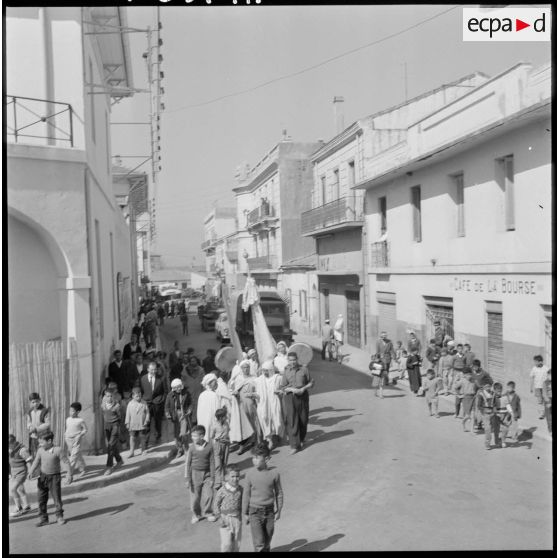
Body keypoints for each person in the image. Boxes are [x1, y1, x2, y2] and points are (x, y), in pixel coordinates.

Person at [242, 442, 283, 552]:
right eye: (253, 458)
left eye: (257, 458)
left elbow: (279, 493)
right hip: (254, 512)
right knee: (259, 542)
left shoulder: (274, 474)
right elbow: (246, 494)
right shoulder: (249, 474)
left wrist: (279, 510)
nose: (254, 460)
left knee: (268, 538)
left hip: (269, 512)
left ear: (267, 459)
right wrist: (245, 512)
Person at [28, 430, 72, 526]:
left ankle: (59, 517)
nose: (40, 444)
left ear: (49, 441)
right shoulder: (40, 450)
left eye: (42, 442)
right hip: (42, 477)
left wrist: (69, 474)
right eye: (39, 442)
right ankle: (44, 519)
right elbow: (36, 461)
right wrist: (31, 471)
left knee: (57, 498)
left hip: (54, 477)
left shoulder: (58, 450)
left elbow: (65, 462)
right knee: (41, 499)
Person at [280, 352, 314, 455]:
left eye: (294, 360)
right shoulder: (286, 371)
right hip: (290, 397)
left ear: (297, 359)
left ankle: (302, 439)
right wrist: (291, 389)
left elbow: (311, 382)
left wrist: (303, 389)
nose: (292, 362)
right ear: (288, 360)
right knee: (292, 420)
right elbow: (283, 387)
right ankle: (294, 445)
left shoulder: (304, 369)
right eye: (290, 360)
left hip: (303, 395)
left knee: (303, 419)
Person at [184, 424, 217, 524]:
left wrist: (212, 477)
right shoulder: (191, 448)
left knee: (209, 495)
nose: (192, 438)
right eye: (192, 436)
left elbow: (212, 462)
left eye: (195, 436)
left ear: (202, 436)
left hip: (207, 474)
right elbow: (187, 464)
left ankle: (208, 513)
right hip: (194, 475)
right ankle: (196, 514)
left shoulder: (209, 447)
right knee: (195, 497)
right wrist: (187, 479)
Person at [230, 360, 261, 455]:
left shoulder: (254, 378)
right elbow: (233, 391)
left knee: (254, 422)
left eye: (247, 367)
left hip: (251, 403)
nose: (246, 369)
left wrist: (251, 394)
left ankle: (256, 442)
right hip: (241, 404)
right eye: (244, 367)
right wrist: (235, 394)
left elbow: (259, 392)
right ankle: (242, 445)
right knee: (243, 424)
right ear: (241, 369)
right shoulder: (238, 379)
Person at [255, 361, 284, 449]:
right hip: (264, 404)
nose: (265, 373)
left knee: (277, 421)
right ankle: (269, 440)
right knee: (265, 420)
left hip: (274, 402)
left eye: (267, 370)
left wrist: (280, 392)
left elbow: (283, 389)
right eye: (263, 370)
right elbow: (257, 392)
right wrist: (254, 395)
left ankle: (277, 436)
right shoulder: (259, 380)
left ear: (271, 370)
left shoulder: (278, 378)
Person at [214, 464, 243, 553]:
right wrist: (219, 517)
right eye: (232, 476)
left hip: (237, 519)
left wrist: (245, 514)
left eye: (237, 476)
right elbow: (216, 504)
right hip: (225, 519)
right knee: (226, 544)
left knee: (236, 543)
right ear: (226, 477)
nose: (235, 479)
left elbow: (243, 503)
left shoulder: (241, 489)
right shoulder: (222, 490)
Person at [140, 360, 167, 445]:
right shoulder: (143, 379)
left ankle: (158, 437)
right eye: (151, 370)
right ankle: (145, 442)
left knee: (157, 422)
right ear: (148, 369)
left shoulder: (160, 379)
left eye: (155, 369)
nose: (153, 371)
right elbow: (141, 390)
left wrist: (161, 400)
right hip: (147, 404)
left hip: (157, 404)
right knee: (146, 423)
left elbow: (165, 391)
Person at [165, 378, 192, 457]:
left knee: (184, 433)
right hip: (174, 415)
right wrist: (167, 413)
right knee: (176, 435)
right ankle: (180, 449)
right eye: (176, 387)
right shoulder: (170, 395)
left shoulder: (186, 393)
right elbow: (166, 406)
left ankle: (186, 448)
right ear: (173, 388)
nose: (178, 388)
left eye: (179, 386)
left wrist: (189, 409)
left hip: (183, 414)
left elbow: (190, 403)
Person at [8, 434, 33, 517]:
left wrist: (30, 471)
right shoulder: (10, 450)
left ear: (14, 442)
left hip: (21, 471)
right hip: (14, 472)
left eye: (9, 445)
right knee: (20, 489)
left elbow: (28, 460)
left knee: (12, 489)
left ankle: (19, 508)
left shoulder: (22, 450)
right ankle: (27, 506)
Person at [101, 389, 124, 475]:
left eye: (111, 396)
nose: (109, 398)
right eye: (107, 396)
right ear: (105, 397)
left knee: (110, 446)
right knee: (112, 445)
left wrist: (117, 426)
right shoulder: (103, 405)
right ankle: (119, 460)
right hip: (107, 426)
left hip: (115, 425)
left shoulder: (117, 406)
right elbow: (104, 414)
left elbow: (120, 417)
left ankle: (109, 466)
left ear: (113, 396)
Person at [125, 387, 151, 458]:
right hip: (133, 424)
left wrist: (146, 420)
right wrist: (127, 423)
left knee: (142, 437)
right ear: (133, 396)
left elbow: (147, 413)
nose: (139, 397)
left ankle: (143, 450)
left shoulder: (144, 403)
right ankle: (131, 451)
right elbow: (128, 414)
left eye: (140, 396)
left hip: (141, 423)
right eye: (137, 396)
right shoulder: (130, 404)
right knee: (132, 437)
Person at [64, 402, 87, 478]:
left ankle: (69, 473)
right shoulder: (68, 419)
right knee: (77, 455)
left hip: (76, 440)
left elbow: (85, 430)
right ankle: (82, 468)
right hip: (68, 439)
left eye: (73, 411)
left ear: (78, 412)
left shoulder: (80, 420)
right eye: (70, 410)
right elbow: (68, 428)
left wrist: (80, 435)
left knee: (73, 457)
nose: (70, 412)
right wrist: (66, 435)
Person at [197, 373, 221, 442]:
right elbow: (217, 411)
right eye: (214, 382)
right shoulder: (214, 395)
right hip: (211, 421)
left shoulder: (202, 395)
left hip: (204, 422)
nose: (216, 383)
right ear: (209, 383)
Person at [182, 355, 205, 425]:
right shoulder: (186, 370)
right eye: (191, 361)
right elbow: (183, 379)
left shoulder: (201, 370)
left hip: (199, 393)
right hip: (189, 393)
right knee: (190, 407)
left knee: (198, 408)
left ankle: (197, 421)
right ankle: (191, 423)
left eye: (194, 361)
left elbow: (203, 380)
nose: (193, 362)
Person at [453, 368, 477, 432]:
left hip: (473, 397)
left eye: (470, 374)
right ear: (464, 375)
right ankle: (463, 423)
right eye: (467, 375)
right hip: (466, 398)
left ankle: (472, 429)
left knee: (473, 414)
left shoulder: (474, 380)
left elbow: (477, 387)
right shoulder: (462, 381)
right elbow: (455, 387)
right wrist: (458, 395)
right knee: (468, 415)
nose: (469, 376)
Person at [27, 392, 51, 458]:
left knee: (43, 451)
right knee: (34, 452)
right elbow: (28, 422)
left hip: (43, 436)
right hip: (33, 436)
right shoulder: (30, 411)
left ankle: (44, 466)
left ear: (40, 400)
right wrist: (30, 427)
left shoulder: (44, 411)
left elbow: (47, 424)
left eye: (37, 401)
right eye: (33, 402)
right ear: (30, 402)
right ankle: (36, 466)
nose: (35, 404)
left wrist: (37, 429)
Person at [475, 381, 498, 450]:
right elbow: (479, 405)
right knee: (488, 429)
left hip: (492, 413)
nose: (488, 387)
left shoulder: (493, 394)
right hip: (485, 414)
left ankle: (494, 441)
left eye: (489, 386)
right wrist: (483, 411)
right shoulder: (481, 394)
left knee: (491, 429)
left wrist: (494, 410)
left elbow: (495, 403)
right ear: (484, 387)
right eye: (486, 386)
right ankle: (487, 443)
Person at [212, 407, 231, 490]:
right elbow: (211, 436)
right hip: (218, 445)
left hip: (226, 445)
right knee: (218, 465)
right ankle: (217, 482)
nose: (226, 417)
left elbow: (228, 432)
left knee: (224, 463)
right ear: (220, 417)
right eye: (224, 416)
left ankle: (223, 480)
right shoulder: (214, 425)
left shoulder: (226, 424)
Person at [499, 381, 522, 447]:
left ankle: (514, 436)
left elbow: (518, 406)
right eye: (507, 387)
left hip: (514, 413)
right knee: (506, 425)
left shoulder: (516, 396)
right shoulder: (504, 395)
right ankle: (503, 436)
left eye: (510, 388)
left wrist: (519, 414)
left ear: (513, 388)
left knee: (515, 425)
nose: (508, 389)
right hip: (506, 413)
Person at [530, 355, 550, 420]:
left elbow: (549, 377)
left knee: (546, 400)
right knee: (540, 401)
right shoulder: (534, 368)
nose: (535, 363)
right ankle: (541, 414)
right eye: (534, 362)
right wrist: (531, 387)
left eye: (536, 362)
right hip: (537, 387)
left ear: (540, 362)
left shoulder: (546, 368)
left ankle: (547, 412)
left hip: (545, 388)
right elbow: (532, 378)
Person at [542, 368, 552, 435]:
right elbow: (544, 393)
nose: (548, 376)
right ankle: (550, 430)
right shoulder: (545, 383)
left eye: (550, 375)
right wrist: (548, 401)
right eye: (548, 375)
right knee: (549, 417)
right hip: (548, 400)